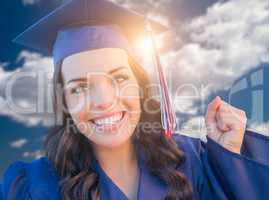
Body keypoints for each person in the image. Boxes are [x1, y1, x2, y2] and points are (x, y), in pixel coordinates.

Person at [1, 0, 269, 199]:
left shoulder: (194, 160)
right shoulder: (34, 186)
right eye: (79, 88)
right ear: (65, 103)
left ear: (140, 86)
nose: (104, 101)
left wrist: (229, 161)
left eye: (118, 79)